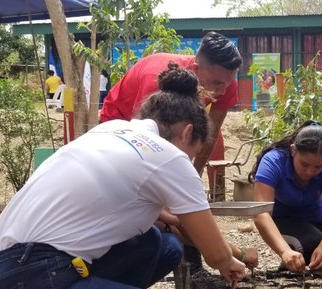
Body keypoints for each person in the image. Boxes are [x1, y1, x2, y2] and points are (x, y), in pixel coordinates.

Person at [0, 63, 247, 289]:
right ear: (186, 133)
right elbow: (216, 255)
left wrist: (174, 218)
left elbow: (124, 204)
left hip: (4, 275)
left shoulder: (111, 131)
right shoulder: (170, 158)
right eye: (194, 151)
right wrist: (230, 261)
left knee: (161, 245)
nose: (190, 158)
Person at [100, 31, 242, 178]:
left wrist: (194, 176)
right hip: (120, 121)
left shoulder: (225, 83)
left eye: (228, 83)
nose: (223, 91)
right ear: (195, 68)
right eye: (217, 83)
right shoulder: (157, 80)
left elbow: (209, 135)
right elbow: (146, 141)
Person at [250, 121, 322, 272]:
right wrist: (284, 251)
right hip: (280, 220)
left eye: (318, 167)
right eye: (304, 164)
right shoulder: (273, 161)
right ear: (293, 150)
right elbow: (261, 213)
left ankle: (291, 268)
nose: (310, 171)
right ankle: (287, 269)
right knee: (310, 242)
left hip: (316, 220)